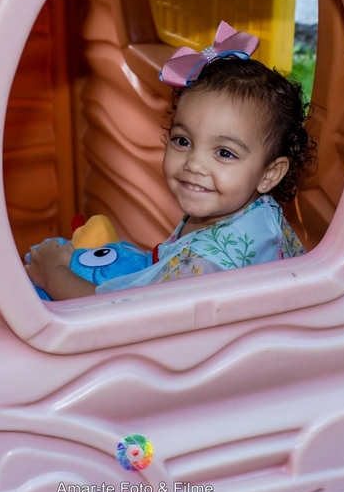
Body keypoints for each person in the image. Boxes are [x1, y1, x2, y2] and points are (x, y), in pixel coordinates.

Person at [26, 21, 315, 300]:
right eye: (183, 141)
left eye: (224, 153)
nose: (194, 164)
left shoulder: (205, 264)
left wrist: (52, 273)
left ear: (269, 174)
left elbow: (116, 317)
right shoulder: (251, 210)